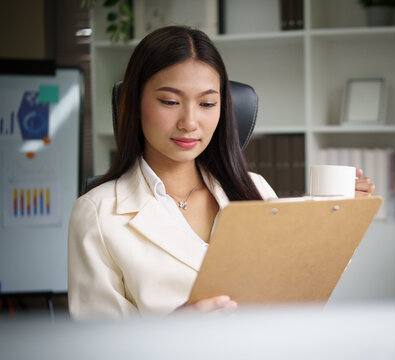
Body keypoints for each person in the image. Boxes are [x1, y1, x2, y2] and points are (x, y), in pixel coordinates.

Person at [68, 26, 375, 319]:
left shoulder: (252, 189)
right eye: (170, 101)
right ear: (135, 103)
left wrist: (339, 221)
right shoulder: (97, 213)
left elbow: (301, 285)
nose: (189, 122)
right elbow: (98, 344)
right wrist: (171, 331)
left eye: (207, 103)